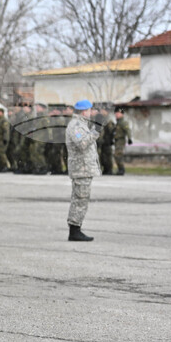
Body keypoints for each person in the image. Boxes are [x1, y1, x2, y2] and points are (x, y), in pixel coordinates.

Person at [66, 99, 100, 242]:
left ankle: (76, 229)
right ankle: (75, 231)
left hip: (83, 169)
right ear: (84, 111)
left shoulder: (81, 125)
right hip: (81, 169)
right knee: (80, 200)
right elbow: (81, 143)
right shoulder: (76, 126)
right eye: (90, 110)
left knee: (80, 199)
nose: (92, 113)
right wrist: (94, 134)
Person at [113, 107, 133, 175]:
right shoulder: (118, 122)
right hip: (117, 141)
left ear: (122, 114)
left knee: (118, 155)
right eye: (116, 113)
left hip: (121, 141)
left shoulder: (123, 122)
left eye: (118, 113)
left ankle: (121, 169)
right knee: (116, 155)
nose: (116, 114)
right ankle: (120, 169)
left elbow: (128, 130)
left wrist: (129, 139)